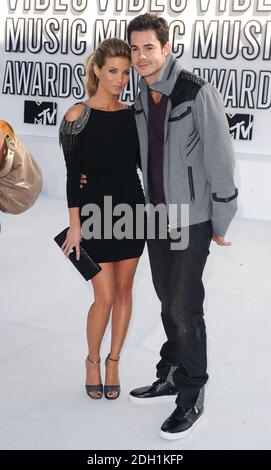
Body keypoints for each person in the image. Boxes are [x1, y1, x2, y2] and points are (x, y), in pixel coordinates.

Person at [125, 13, 237, 439]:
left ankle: (192, 395)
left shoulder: (195, 91)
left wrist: (221, 217)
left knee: (185, 308)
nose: (140, 56)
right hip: (157, 215)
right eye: (134, 48)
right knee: (165, 299)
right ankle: (171, 372)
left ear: (166, 47)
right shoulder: (141, 91)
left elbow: (220, 159)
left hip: (191, 218)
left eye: (148, 47)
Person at [59, 38, 145, 400]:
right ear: (97, 70)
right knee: (105, 297)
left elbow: (144, 166)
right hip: (94, 214)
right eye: (113, 71)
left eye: (126, 73)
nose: (120, 79)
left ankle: (113, 362)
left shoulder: (133, 114)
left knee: (125, 292)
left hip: (132, 211)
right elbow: (71, 174)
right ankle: (91, 360)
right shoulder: (77, 116)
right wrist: (75, 226)